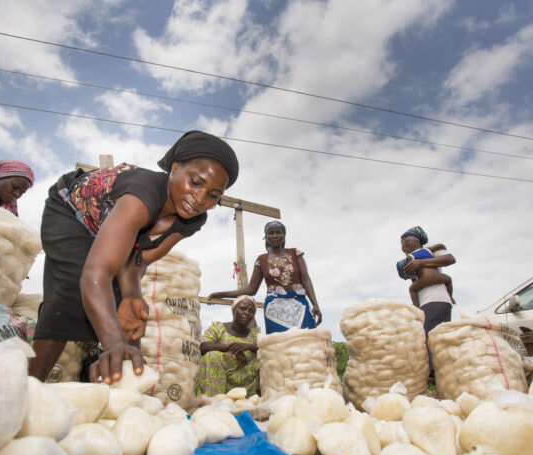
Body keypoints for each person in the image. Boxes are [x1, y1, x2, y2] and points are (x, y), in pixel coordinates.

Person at [28, 131, 239, 385]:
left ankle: (125, 393)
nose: (201, 199)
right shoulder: (143, 193)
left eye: (214, 195)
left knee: (128, 311)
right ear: (175, 168)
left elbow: (138, 260)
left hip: (107, 234)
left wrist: (131, 297)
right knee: (72, 295)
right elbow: (97, 272)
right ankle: (28, 389)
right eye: (195, 182)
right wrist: (114, 344)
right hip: (71, 212)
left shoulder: (192, 219)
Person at [208, 221, 321, 334]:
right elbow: (251, 289)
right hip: (275, 310)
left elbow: (306, 280)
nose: (275, 236)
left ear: (284, 236)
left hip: (300, 305)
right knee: (278, 344)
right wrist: (221, 294)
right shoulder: (261, 260)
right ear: (266, 237)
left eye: (278, 232)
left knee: (307, 340)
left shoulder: (295, 253)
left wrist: (315, 305)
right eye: (270, 233)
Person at [195, 295, 260, 398]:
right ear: (233, 310)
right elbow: (203, 346)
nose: (247, 313)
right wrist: (232, 348)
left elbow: (268, 350)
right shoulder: (218, 328)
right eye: (243, 308)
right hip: (217, 378)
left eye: (251, 311)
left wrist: (249, 346)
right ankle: (215, 400)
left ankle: (248, 398)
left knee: (264, 358)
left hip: (245, 381)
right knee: (212, 356)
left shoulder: (255, 335)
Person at [400, 225, 456, 338]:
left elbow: (450, 259)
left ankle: (417, 309)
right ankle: (450, 297)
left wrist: (420, 263)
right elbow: (412, 278)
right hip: (433, 300)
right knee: (439, 339)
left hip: (433, 300)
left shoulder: (426, 248)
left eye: (404, 244)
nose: (403, 248)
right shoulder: (422, 253)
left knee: (431, 339)